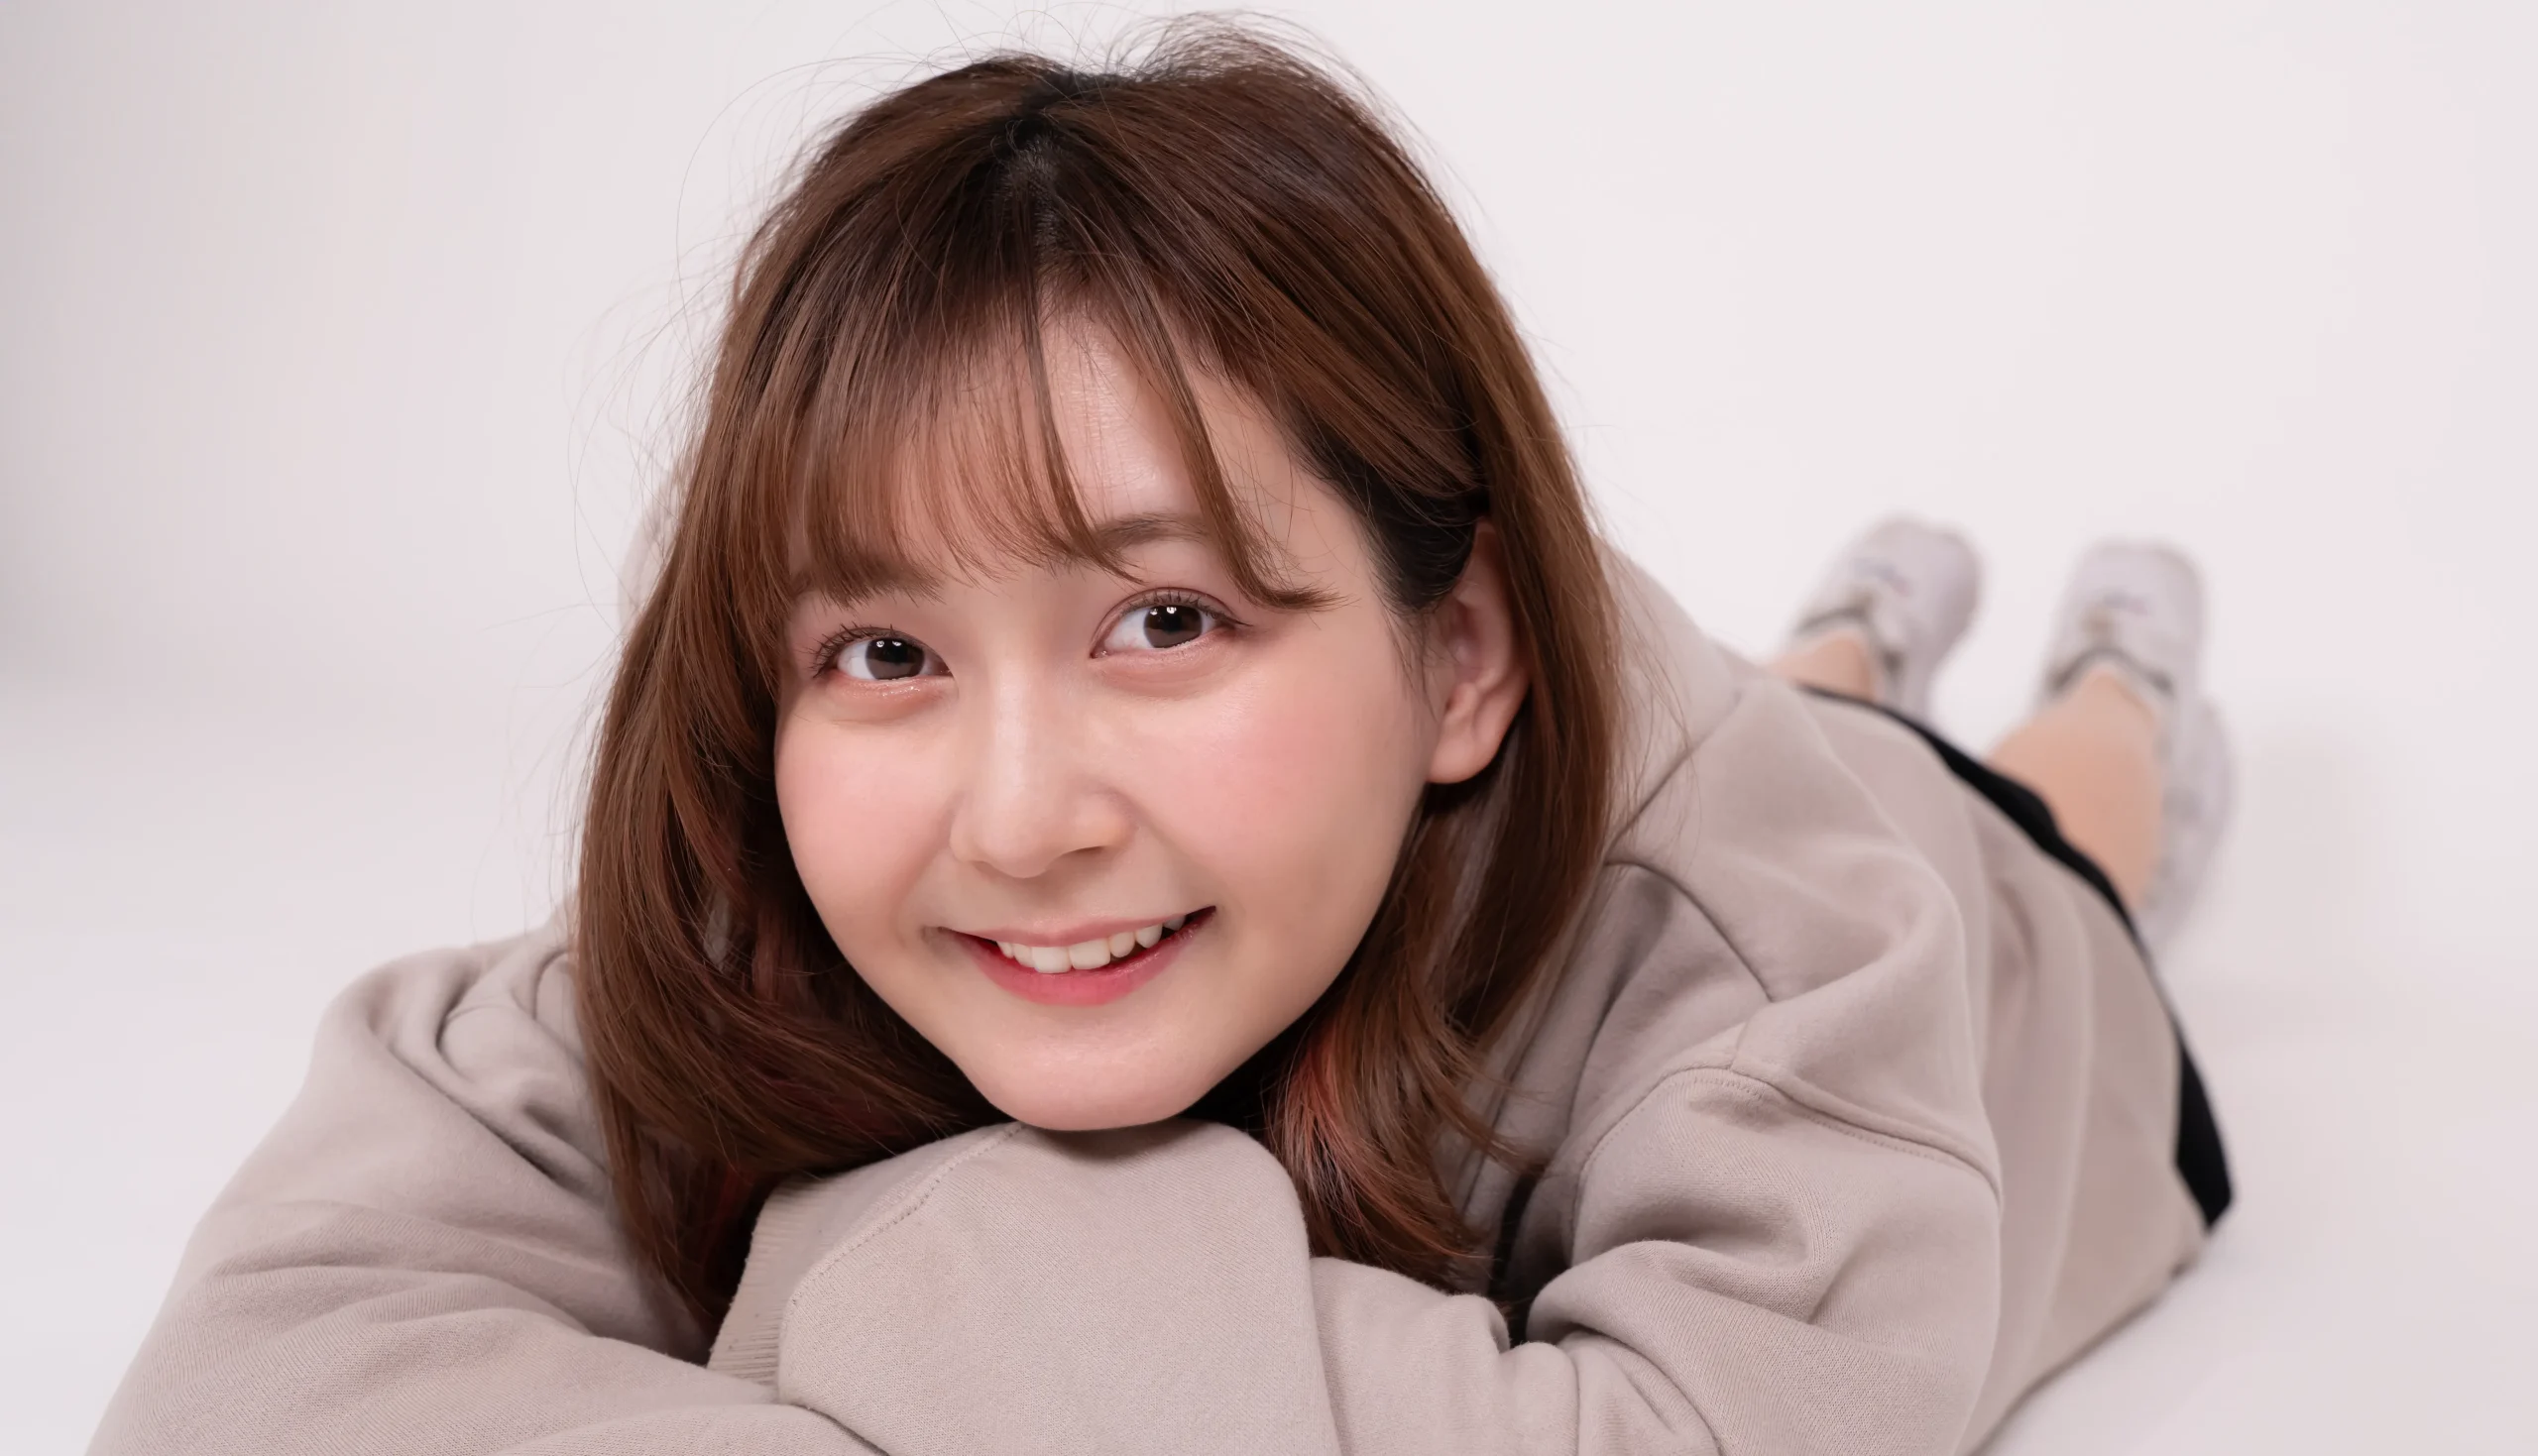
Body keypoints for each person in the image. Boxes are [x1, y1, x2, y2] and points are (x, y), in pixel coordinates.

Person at [88, 23, 2232, 1456]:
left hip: (1977, 914)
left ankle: (2121, 677)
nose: (1019, 823)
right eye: (886, 650)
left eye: (1165, 619)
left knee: (2045, 811)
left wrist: (918, 1264)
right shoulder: (784, 873)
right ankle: (1858, 621)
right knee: (1818, 684)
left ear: (1458, 657)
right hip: (1600, 731)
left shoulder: (1779, 967)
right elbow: (252, 1392)